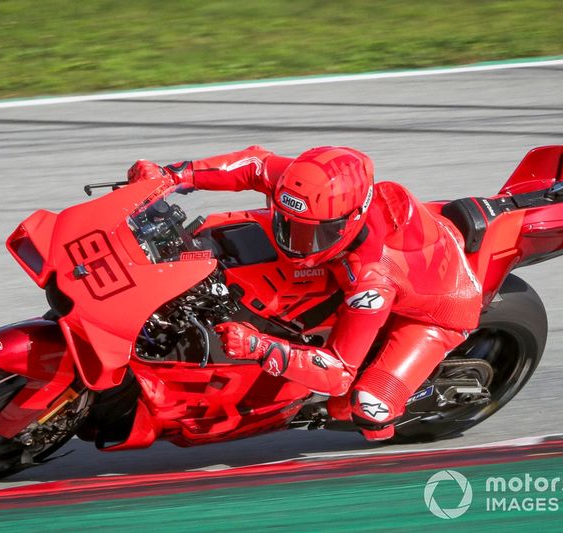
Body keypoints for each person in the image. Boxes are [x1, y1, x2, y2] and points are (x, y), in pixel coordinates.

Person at [127, 146, 482, 440]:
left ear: (349, 222)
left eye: (310, 235)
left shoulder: (370, 281)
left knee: (366, 406)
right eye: (288, 225)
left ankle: (394, 405)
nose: (294, 243)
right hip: (422, 240)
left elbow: (339, 370)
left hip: (442, 310)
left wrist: (259, 346)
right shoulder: (313, 192)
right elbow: (255, 164)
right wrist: (172, 175)